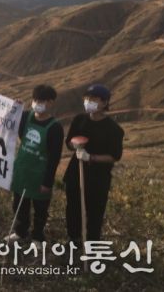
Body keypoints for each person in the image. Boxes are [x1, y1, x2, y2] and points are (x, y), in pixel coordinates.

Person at [64, 84, 124, 244]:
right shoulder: (79, 120)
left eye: (93, 99)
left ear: (104, 103)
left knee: (95, 211)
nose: (88, 101)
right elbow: (68, 142)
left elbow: (114, 156)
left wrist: (91, 158)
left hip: (98, 178)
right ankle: (74, 239)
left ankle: (92, 244)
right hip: (75, 172)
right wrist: (75, 145)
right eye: (87, 98)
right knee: (73, 208)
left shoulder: (113, 129)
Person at [7, 85, 64, 246]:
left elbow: (54, 157)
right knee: (19, 204)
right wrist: (15, 109)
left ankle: (38, 237)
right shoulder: (25, 117)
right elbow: (11, 128)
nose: (37, 104)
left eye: (42, 101)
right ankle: (20, 232)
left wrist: (47, 182)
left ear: (51, 103)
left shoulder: (55, 127)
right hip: (23, 169)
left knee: (40, 208)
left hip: (40, 173)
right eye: (35, 100)